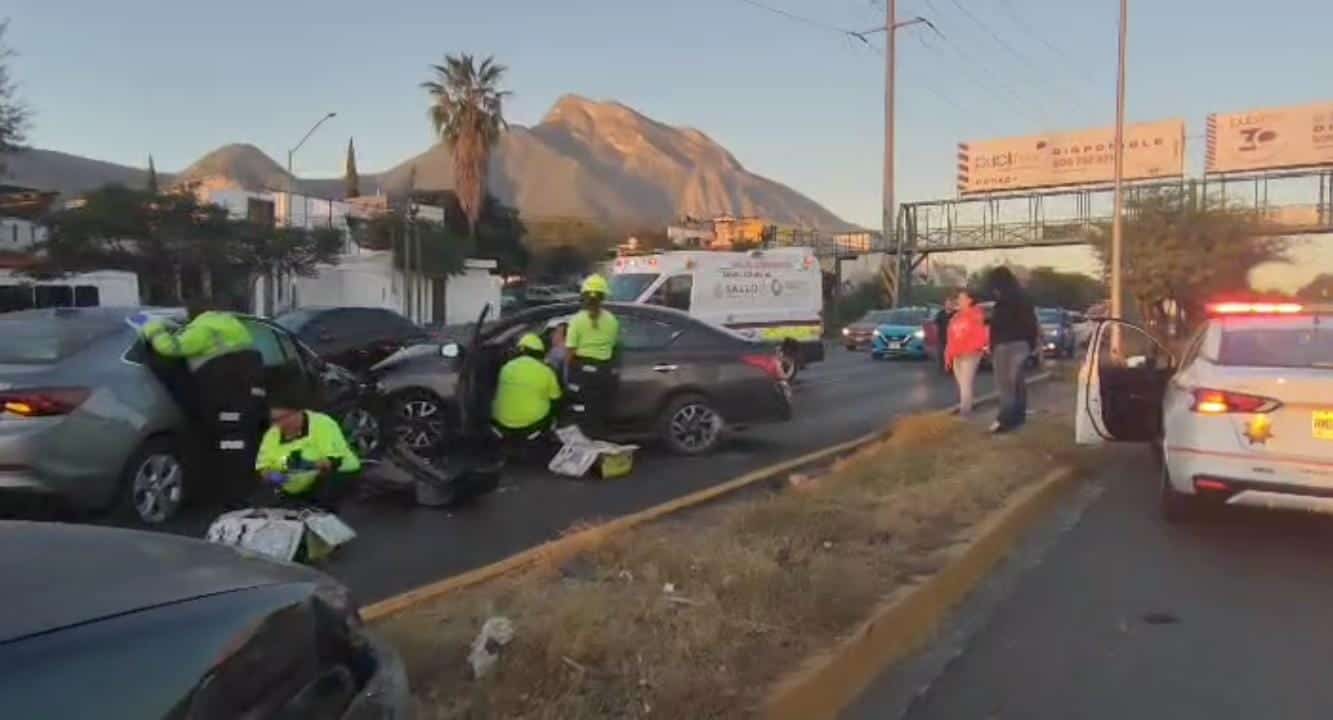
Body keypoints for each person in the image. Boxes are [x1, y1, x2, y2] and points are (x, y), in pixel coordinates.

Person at [139, 300, 264, 502]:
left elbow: (170, 347)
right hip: (247, 395)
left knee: (229, 443)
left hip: (226, 395)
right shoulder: (231, 325)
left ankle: (234, 496)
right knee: (239, 441)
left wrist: (153, 329)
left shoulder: (203, 329)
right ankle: (242, 490)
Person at [254, 404, 362, 512]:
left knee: (322, 499)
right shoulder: (272, 434)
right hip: (295, 484)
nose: (279, 424)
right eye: (275, 420)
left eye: (284, 418)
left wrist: (308, 465)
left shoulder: (322, 423)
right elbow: (263, 467)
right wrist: (272, 476)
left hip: (337, 475)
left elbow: (334, 461)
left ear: (297, 413)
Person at [984, 267, 1039, 433]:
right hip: (1022, 344)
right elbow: (1031, 322)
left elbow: (999, 324)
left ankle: (1004, 420)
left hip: (1005, 346)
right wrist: (1031, 343)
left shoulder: (1004, 302)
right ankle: (1018, 416)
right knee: (1017, 382)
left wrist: (990, 325)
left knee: (1005, 384)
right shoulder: (1024, 298)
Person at [565, 274, 620, 436]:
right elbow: (613, 345)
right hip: (605, 372)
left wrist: (566, 374)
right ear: (603, 297)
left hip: (583, 374)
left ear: (583, 297)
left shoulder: (576, 320)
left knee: (582, 414)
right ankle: (600, 446)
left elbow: (570, 351)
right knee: (600, 413)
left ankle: (585, 449)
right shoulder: (612, 320)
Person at [492, 333, 564, 440]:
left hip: (501, 426)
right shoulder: (547, 371)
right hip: (532, 427)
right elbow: (556, 399)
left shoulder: (505, 367)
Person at [944, 288, 989, 417]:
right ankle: (965, 409)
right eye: (958, 298)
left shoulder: (976, 314)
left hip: (970, 353)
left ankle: (965, 412)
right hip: (957, 354)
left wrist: (976, 348)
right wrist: (948, 355)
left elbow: (980, 333)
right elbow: (951, 338)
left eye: (962, 298)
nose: (959, 300)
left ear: (970, 300)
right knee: (962, 384)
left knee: (966, 383)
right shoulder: (956, 317)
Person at [933, 299, 956, 375]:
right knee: (941, 353)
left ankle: (951, 369)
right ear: (945, 305)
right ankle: (942, 369)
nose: (949, 305)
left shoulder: (956, 314)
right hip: (942, 337)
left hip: (954, 338)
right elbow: (935, 324)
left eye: (950, 304)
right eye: (947, 304)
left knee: (952, 355)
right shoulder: (941, 314)